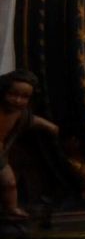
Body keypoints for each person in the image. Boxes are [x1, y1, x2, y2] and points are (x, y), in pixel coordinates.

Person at [1, 70, 58, 221]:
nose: (18, 100)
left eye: (24, 97)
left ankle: (11, 208)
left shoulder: (19, 113)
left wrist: (50, 127)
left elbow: (32, 120)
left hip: (1, 155)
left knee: (10, 183)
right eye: (13, 94)